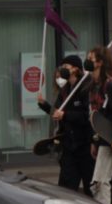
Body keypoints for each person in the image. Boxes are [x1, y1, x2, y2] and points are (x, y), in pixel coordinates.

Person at [38, 55, 94, 195]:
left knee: (90, 187)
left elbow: (86, 116)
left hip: (85, 146)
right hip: (69, 146)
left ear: (75, 69)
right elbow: (58, 112)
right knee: (66, 189)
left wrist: (66, 115)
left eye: (65, 67)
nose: (62, 70)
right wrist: (45, 106)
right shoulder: (65, 90)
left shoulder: (85, 88)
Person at [87, 46, 112, 204]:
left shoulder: (109, 85)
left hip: (110, 138)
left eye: (90, 59)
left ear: (100, 63)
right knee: (107, 180)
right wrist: (94, 142)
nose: (87, 62)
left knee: (101, 182)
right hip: (101, 138)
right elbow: (95, 117)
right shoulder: (93, 86)